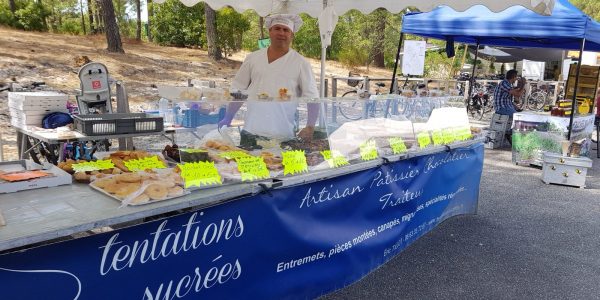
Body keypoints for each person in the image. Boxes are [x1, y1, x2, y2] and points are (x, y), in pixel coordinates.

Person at [218, 14, 320, 146]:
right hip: (251, 132)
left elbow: (312, 98)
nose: (281, 33)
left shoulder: (301, 63)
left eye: (286, 30)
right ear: (270, 31)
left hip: (283, 135)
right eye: (277, 28)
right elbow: (239, 90)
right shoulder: (253, 58)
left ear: (292, 35)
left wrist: (310, 126)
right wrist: (228, 116)